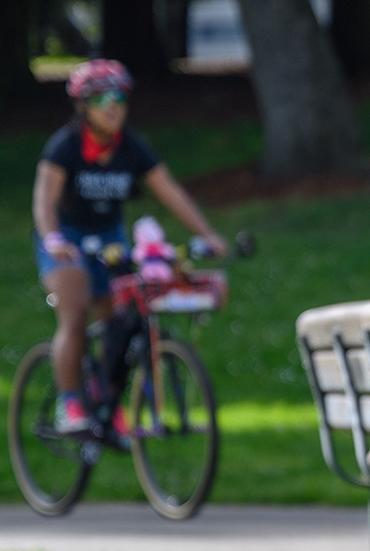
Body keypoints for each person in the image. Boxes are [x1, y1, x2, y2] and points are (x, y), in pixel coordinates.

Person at [33, 59, 229, 432]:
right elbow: (44, 199)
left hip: (110, 238)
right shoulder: (66, 145)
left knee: (118, 323)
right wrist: (53, 239)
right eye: (102, 98)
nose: (113, 106)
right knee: (74, 315)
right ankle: (69, 403)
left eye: (120, 97)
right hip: (65, 238)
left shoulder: (132, 147)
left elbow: (169, 191)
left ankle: (105, 396)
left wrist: (206, 234)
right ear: (82, 106)